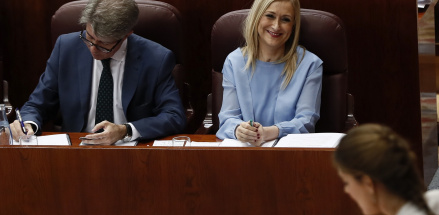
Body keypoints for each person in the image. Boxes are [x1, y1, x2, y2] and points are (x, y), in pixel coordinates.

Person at [9, 0, 186, 145]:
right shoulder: (66, 48)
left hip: (130, 150)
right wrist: (28, 123)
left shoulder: (156, 58)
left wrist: (125, 130)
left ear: (126, 35)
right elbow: (38, 104)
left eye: (103, 44)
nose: (93, 49)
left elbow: (174, 116)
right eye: (89, 37)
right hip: (76, 149)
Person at [216, 0, 323, 146]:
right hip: (245, 153)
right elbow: (227, 119)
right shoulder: (234, 62)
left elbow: (306, 122)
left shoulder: (310, 64)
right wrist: (238, 130)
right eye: (270, 16)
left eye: (285, 19)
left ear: (293, 25)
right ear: (257, 17)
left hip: (291, 156)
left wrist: (271, 132)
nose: (276, 26)